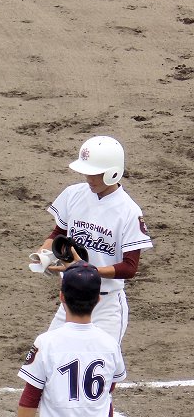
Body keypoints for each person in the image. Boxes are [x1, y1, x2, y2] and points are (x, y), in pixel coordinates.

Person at [7, 261, 127, 417]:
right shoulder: (109, 343)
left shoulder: (47, 342)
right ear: (98, 299)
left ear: (62, 297)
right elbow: (109, 391)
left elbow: (30, 397)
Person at [35, 135, 153, 344]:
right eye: (86, 172)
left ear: (113, 172)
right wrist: (43, 254)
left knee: (103, 363)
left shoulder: (128, 211)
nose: (89, 179)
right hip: (71, 301)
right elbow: (58, 234)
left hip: (106, 308)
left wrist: (84, 271)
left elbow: (130, 267)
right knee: (49, 354)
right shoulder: (73, 194)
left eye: (95, 174)